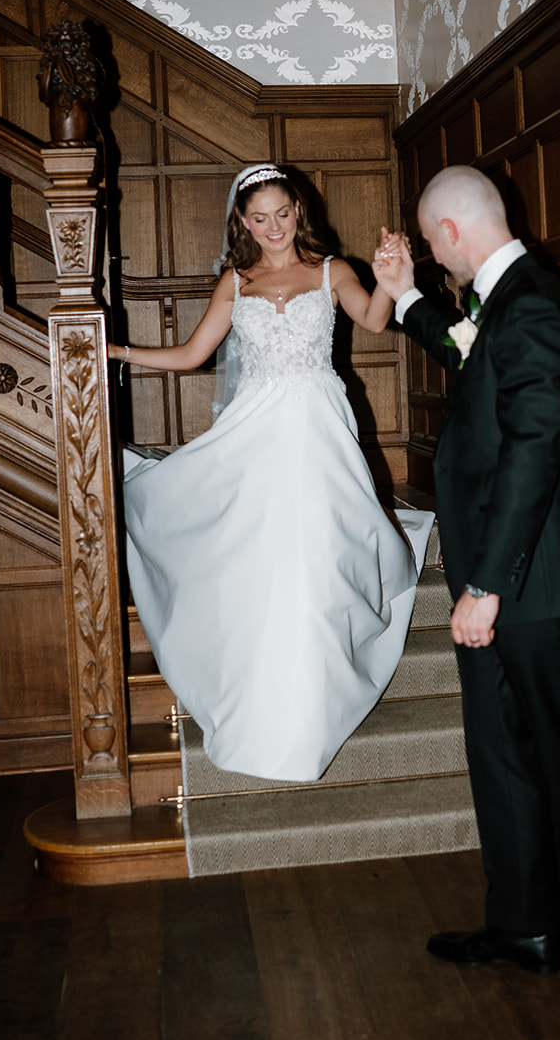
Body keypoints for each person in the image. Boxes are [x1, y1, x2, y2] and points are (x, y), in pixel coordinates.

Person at [372, 164, 560, 975]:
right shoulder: (529, 299)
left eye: (432, 246)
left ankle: (525, 924)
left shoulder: (532, 310)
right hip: (553, 578)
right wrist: (408, 297)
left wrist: (484, 587)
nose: (438, 260)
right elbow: (471, 356)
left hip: (523, 582)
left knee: (508, 749)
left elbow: (530, 453)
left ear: (447, 234)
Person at [108, 164, 432, 784]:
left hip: (317, 430)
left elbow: (372, 320)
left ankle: (312, 705)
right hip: (253, 431)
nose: (274, 227)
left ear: (299, 211)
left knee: (314, 559)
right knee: (262, 561)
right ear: (243, 221)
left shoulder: (332, 270)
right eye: (260, 217)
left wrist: (393, 281)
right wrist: (120, 351)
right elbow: (192, 354)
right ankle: (263, 702)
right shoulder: (236, 280)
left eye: (283, 213)